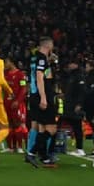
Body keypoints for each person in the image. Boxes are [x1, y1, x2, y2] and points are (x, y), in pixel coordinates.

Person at [26, 37, 59, 167]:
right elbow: (40, 77)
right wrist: (44, 98)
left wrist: (49, 63)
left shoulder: (35, 58)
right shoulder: (41, 58)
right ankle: (32, 153)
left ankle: (43, 156)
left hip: (35, 95)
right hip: (43, 96)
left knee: (42, 128)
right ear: (48, 46)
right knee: (51, 129)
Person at [58, 59, 87, 157]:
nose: (69, 65)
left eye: (71, 63)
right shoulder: (71, 76)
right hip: (68, 106)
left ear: (75, 64)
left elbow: (82, 92)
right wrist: (64, 95)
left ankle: (80, 149)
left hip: (74, 107)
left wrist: (79, 104)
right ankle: (54, 146)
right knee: (59, 124)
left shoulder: (79, 76)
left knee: (77, 127)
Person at [3, 57, 29, 154]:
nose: (5, 65)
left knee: (18, 125)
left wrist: (18, 101)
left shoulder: (20, 74)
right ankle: (10, 147)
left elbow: (23, 89)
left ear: (12, 63)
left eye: (6, 62)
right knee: (8, 125)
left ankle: (20, 147)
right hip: (7, 103)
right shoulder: (5, 75)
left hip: (17, 104)